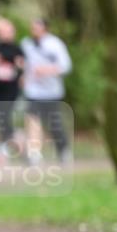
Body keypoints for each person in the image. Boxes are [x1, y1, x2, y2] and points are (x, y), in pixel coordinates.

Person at [20, 18, 72, 165]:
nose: (34, 31)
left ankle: (63, 151)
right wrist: (23, 75)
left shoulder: (55, 44)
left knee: (55, 124)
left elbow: (66, 66)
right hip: (33, 91)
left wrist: (48, 70)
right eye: (32, 28)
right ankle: (34, 154)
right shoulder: (26, 44)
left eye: (37, 28)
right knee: (32, 121)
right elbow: (25, 64)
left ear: (45, 29)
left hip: (52, 92)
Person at [0, 17, 24, 163]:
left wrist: (17, 66)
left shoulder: (17, 49)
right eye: (1, 31)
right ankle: (17, 138)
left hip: (11, 89)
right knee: (0, 117)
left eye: (7, 30)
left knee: (4, 116)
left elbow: (21, 67)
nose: (4, 33)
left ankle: (3, 148)